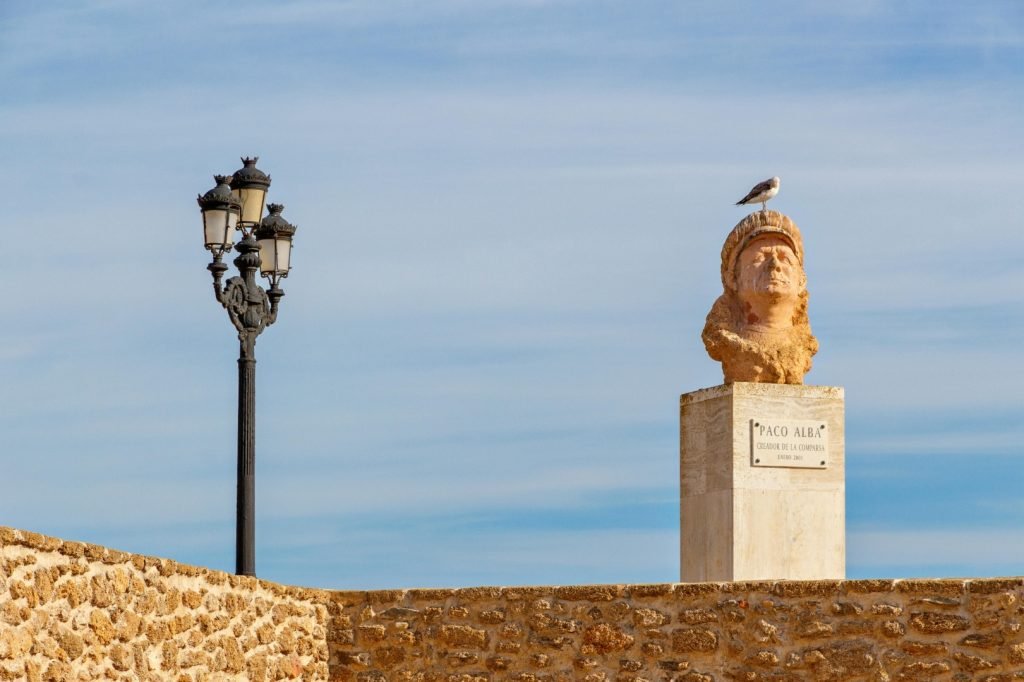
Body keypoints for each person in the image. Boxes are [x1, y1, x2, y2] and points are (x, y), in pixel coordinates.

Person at [702, 211, 818, 384]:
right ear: (732, 278)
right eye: (760, 257)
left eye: (784, 258)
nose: (774, 265)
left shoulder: (803, 346)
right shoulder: (730, 345)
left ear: (801, 280)